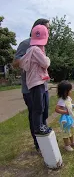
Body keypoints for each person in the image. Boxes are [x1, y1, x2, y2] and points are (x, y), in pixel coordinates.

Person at [13, 19, 50, 151]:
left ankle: (46, 140)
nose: (49, 31)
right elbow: (15, 63)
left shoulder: (42, 45)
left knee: (44, 113)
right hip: (30, 89)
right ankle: (39, 144)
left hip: (43, 86)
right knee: (35, 114)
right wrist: (28, 59)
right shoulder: (26, 44)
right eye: (47, 28)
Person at [19, 25, 52, 136]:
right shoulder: (36, 50)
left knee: (40, 107)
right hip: (37, 82)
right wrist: (47, 58)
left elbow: (22, 63)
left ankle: (40, 126)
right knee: (38, 107)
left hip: (36, 82)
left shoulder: (30, 49)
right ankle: (38, 128)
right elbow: (45, 63)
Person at [55, 80, 74, 152]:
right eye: (70, 90)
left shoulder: (68, 98)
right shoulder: (61, 100)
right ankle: (67, 145)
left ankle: (72, 142)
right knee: (66, 132)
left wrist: (72, 105)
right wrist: (65, 112)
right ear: (65, 91)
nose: (71, 91)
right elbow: (57, 109)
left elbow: (69, 104)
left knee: (71, 130)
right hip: (66, 120)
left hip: (71, 118)